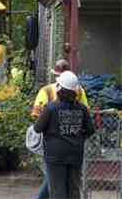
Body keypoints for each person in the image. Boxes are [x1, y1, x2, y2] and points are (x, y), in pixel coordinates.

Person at [31, 59, 89, 199]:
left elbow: (37, 126)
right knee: (74, 188)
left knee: (57, 189)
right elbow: (90, 128)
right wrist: (76, 136)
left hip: (55, 154)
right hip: (75, 153)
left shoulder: (49, 102)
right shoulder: (81, 105)